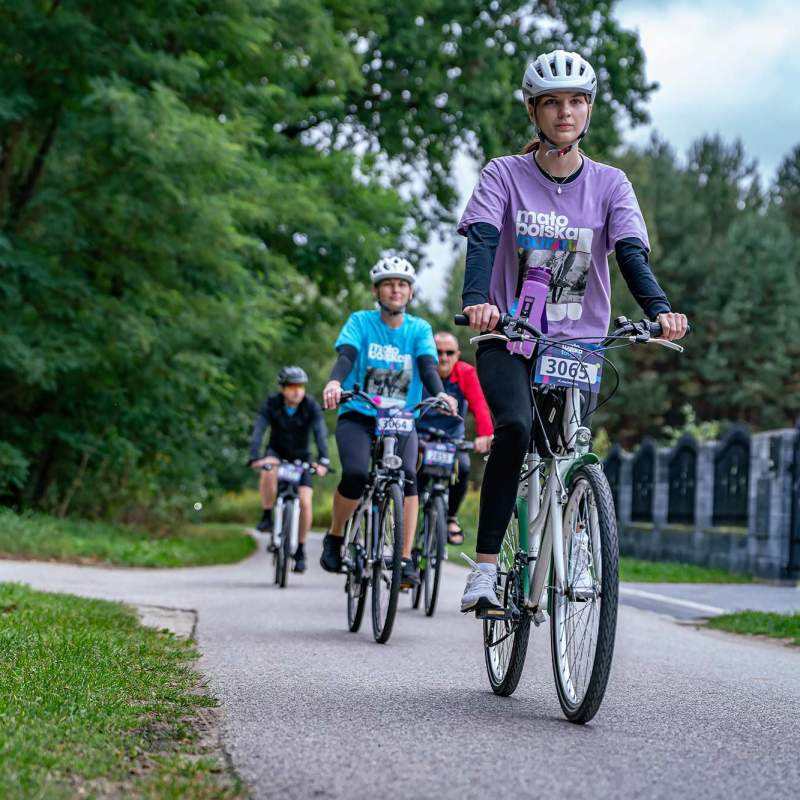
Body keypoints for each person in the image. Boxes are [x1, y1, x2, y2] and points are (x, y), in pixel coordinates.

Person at [456, 49, 689, 612]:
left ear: (588, 110)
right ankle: (485, 571)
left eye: (577, 101)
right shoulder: (503, 175)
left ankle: (578, 540)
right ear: (533, 110)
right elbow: (484, 239)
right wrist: (477, 302)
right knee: (512, 429)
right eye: (553, 102)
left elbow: (631, 253)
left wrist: (659, 308)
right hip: (510, 335)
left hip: (577, 342)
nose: (566, 112)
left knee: (573, 445)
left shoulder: (611, 185)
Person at [321, 256, 458, 586]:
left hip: (399, 419)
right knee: (354, 475)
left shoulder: (419, 329)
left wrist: (440, 393)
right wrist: (335, 382)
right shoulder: (361, 322)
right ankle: (336, 535)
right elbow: (347, 356)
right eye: (388, 284)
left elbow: (427, 366)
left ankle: (405, 558)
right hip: (359, 413)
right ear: (376, 290)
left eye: (401, 285)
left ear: (410, 292)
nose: (395, 290)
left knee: (409, 477)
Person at [248, 366, 330, 573]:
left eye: (300, 386)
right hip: (277, 454)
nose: (297, 391)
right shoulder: (272, 404)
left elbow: (320, 433)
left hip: (301, 458)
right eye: (292, 386)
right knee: (268, 471)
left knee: (305, 501)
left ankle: (300, 549)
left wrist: (323, 460)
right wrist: (255, 456)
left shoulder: (310, 406)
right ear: (283, 388)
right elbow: (259, 429)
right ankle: (267, 515)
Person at [417, 331, 494, 544]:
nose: (443, 358)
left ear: (457, 354)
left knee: (464, 467)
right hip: (421, 438)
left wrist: (485, 435)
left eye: (449, 353)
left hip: (452, 440)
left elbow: (480, 406)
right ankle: (407, 525)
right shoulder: (421, 372)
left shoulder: (465, 373)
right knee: (414, 478)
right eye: (437, 352)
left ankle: (450, 516)